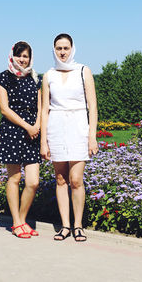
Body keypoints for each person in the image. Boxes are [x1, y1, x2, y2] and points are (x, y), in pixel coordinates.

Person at [41, 33, 98, 241]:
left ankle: (78, 225)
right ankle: (65, 225)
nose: (62, 52)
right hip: (56, 127)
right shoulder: (48, 75)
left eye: (66, 48)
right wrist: (43, 141)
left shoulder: (83, 71)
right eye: (58, 48)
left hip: (78, 127)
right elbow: (45, 108)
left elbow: (92, 106)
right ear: (54, 50)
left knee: (76, 179)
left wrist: (92, 136)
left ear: (72, 48)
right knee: (60, 178)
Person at [0, 41, 41, 238]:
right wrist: (28, 126)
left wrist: (37, 125)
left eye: (26, 56)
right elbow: (5, 109)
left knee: (33, 182)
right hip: (12, 131)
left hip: (33, 132)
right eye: (19, 55)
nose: (23, 59)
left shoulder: (35, 78)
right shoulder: (3, 78)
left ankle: (22, 219)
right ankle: (17, 222)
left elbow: (41, 106)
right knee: (14, 178)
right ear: (12, 56)